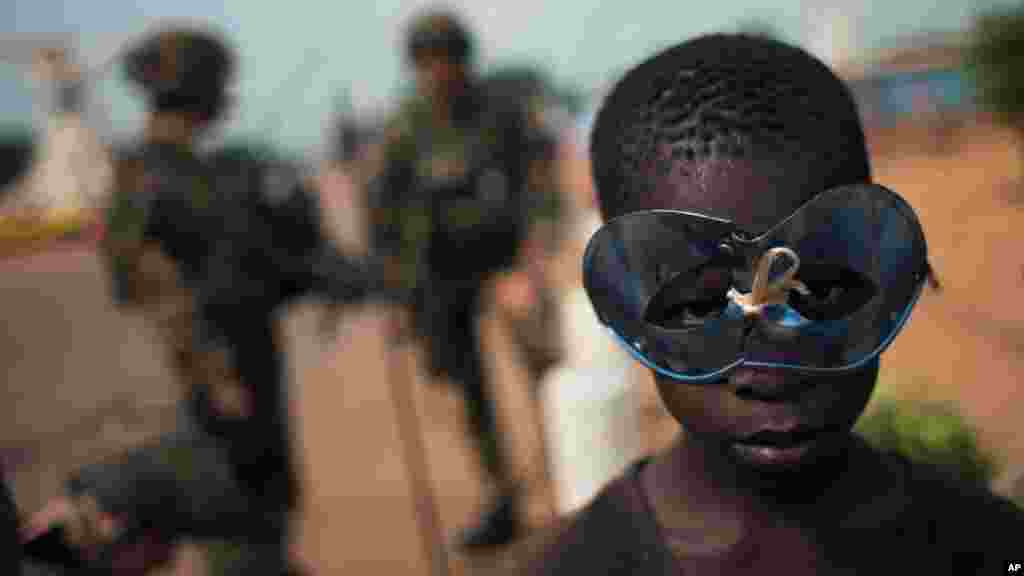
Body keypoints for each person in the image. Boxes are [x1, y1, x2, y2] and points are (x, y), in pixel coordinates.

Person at [511, 33, 1024, 574]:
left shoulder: (986, 545)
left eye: (819, 290)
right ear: (624, 309)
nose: (773, 373)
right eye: (701, 306)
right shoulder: (577, 567)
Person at [21, 23, 394, 575]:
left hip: (228, 423)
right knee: (245, 547)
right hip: (219, 426)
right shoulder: (180, 184)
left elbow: (281, 267)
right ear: (203, 90)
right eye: (220, 83)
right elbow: (176, 294)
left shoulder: (167, 179)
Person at [366, 8, 562, 551]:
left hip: (505, 266)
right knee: (466, 398)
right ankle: (502, 501)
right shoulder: (403, 127)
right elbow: (382, 214)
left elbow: (540, 178)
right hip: (436, 281)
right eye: (428, 61)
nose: (440, 71)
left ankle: (570, 487)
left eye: (449, 58)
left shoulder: (500, 110)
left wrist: (533, 251)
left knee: (548, 376)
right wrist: (396, 297)